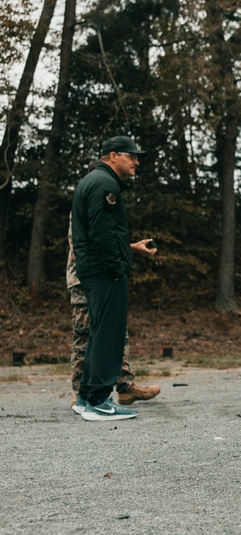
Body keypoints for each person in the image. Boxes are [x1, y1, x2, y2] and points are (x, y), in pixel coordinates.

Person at [71, 136, 157, 421]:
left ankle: (85, 397)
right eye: (131, 156)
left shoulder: (93, 180)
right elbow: (102, 235)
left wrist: (126, 250)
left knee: (99, 334)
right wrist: (117, 269)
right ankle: (99, 401)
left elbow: (101, 232)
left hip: (95, 270)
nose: (136, 161)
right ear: (112, 156)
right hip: (105, 272)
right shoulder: (106, 184)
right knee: (110, 336)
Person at [67, 214, 160, 415]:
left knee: (116, 333)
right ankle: (81, 393)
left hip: (100, 278)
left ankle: (125, 386)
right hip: (84, 280)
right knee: (85, 336)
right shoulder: (87, 202)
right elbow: (94, 242)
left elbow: (105, 239)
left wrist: (132, 247)